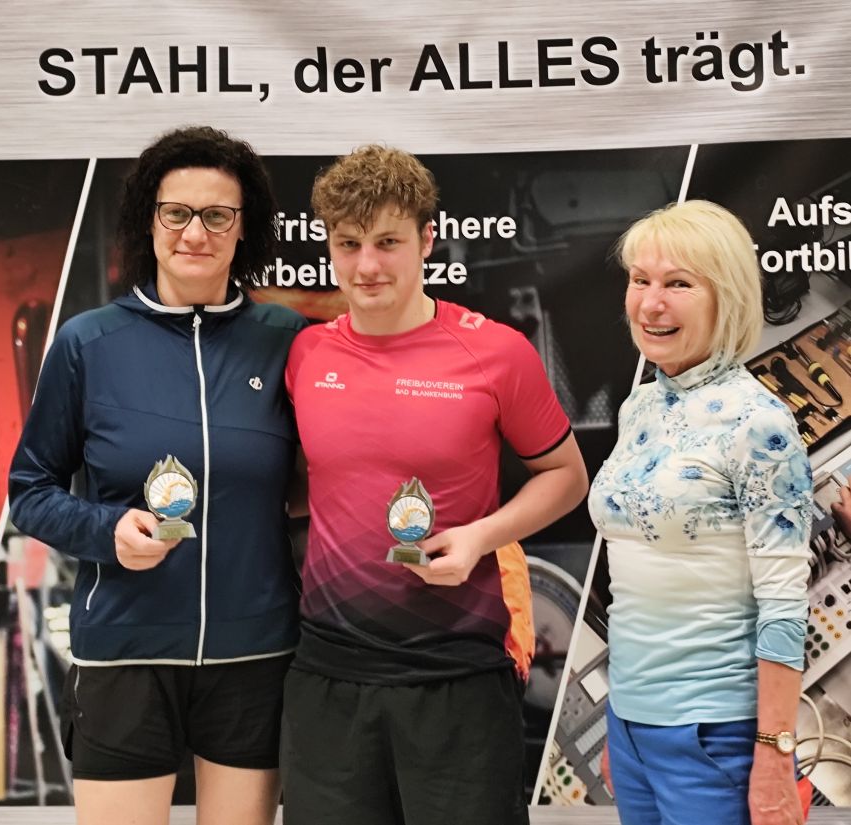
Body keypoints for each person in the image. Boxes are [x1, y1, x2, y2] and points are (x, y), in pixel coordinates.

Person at [282, 144, 588, 825]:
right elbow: (310, 483)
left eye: (387, 242)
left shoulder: (495, 352)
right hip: (329, 673)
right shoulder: (306, 353)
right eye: (348, 243)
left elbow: (566, 477)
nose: (366, 265)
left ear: (427, 239)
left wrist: (481, 537)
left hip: (457, 672)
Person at [8, 126, 305, 825]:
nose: (194, 233)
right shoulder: (88, 342)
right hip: (124, 652)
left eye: (217, 215)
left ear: (244, 227)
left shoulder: (287, 340)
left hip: (254, 653)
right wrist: (106, 530)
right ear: (149, 219)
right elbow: (30, 490)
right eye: (176, 212)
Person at [589, 200, 813, 825]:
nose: (651, 304)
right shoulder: (639, 407)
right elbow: (631, 581)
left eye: (678, 284)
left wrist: (774, 756)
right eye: (640, 280)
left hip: (717, 736)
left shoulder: (759, 423)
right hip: (632, 725)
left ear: (728, 297)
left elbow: (784, 605)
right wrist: (620, 721)